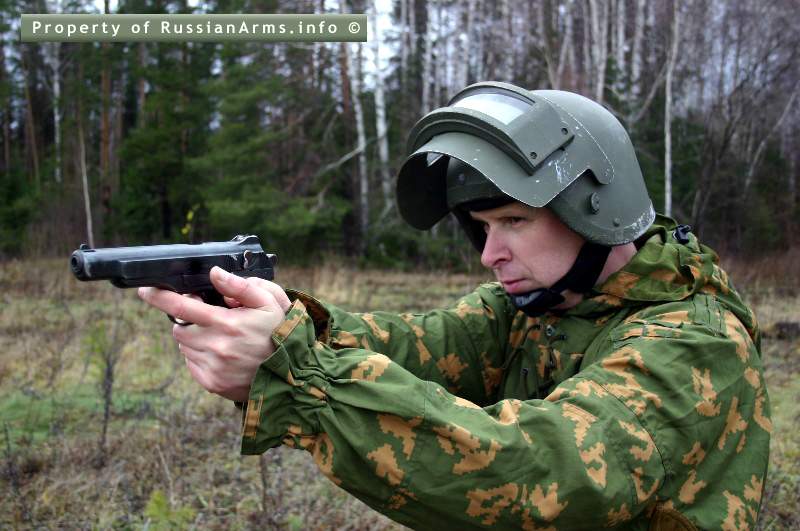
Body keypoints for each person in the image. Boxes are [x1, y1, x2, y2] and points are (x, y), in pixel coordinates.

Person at [138, 82, 771, 529]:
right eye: (481, 227)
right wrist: (279, 323)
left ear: (594, 211)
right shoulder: (535, 308)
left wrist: (298, 373)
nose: (490, 254)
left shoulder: (696, 344)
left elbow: (541, 475)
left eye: (513, 221)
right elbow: (417, 346)